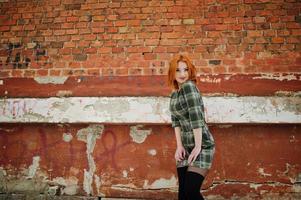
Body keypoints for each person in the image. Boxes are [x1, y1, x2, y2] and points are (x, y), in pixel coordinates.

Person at [168, 54, 215, 200]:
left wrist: (198, 146)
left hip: (202, 145)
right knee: (183, 195)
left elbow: (196, 118)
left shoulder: (189, 87)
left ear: (190, 72)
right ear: (172, 73)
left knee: (190, 191)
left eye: (185, 70)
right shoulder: (174, 94)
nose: (182, 74)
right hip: (186, 148)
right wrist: (179, 146)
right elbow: (176, 121)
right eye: (178, 70)